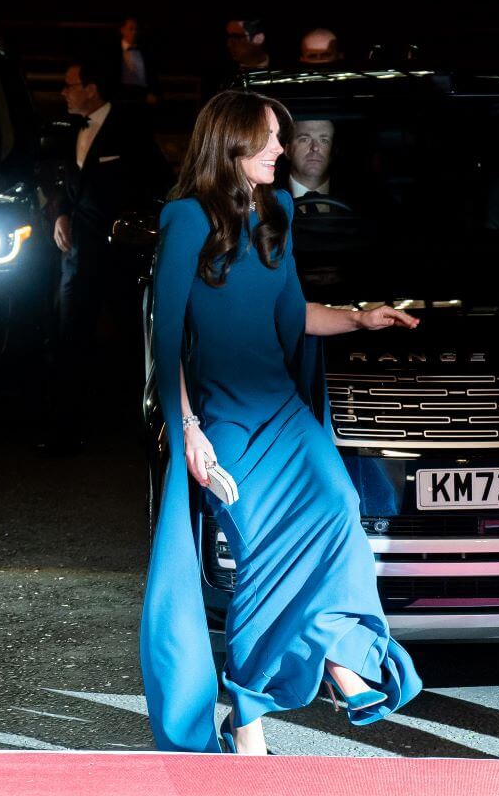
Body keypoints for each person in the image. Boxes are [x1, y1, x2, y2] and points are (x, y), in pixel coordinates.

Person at [142, 89, 422, 754]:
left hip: (285, 414)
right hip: (224, 421)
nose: (282, 151)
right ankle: (250, 717)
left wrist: (359, 317)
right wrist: (188, 432)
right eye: (270, 140)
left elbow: (291, 314)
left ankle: (338, 662)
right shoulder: (185, 219)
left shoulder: (280, 212)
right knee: (263, 558)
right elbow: (166, 335)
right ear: (233, 143)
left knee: (338, 507)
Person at [45, 57, 169, 452]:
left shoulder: (129, 127)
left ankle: (139, 432)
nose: (64, 92)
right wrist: (60, 211)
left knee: (131, 342)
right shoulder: (67, 127)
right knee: (69, 338)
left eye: (70, 84)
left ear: (92, 88)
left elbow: (157, 181)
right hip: (78, 253)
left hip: (120, 255)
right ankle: (66, 431)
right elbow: (61, 179)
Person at [285, 118, 337, 212]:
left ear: (333, 151)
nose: (315, 148)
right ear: (287, 150)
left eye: (324, 140)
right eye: (304, 139)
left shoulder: (356, 195)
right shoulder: (265, 196)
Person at [116, 17, 159, 105]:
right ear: (122, 30)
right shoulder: (113, 53)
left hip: (144, 98)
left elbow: (152, 76)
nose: (134, 32)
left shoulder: (146, 52)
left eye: (136, 29)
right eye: (131, 29)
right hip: (121, 98)